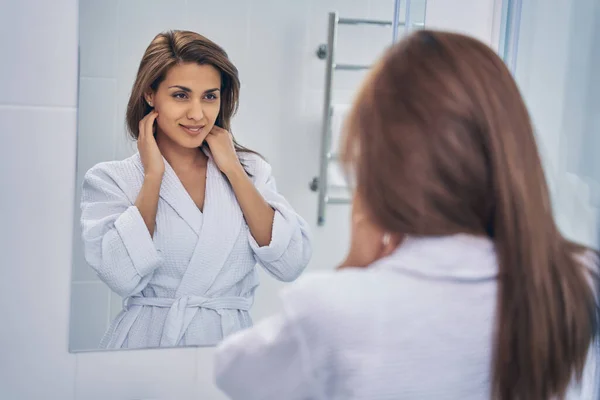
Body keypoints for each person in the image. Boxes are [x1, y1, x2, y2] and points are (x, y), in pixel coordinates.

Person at [213, 30, 599, 400]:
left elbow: (234, 373)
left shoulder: (334, 310)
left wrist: (353, 269)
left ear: (381, 162)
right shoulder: (579, 281)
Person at [80, 30, 312, 349]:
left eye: (209, 96)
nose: (197, 113)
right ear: (150, 94)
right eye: (180, 95)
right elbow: (120, 276)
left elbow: (291, 263)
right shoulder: (112, 179)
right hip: (145, 347)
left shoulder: (250, 171)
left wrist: (232, 169)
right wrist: (153, 177)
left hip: (227, 348)